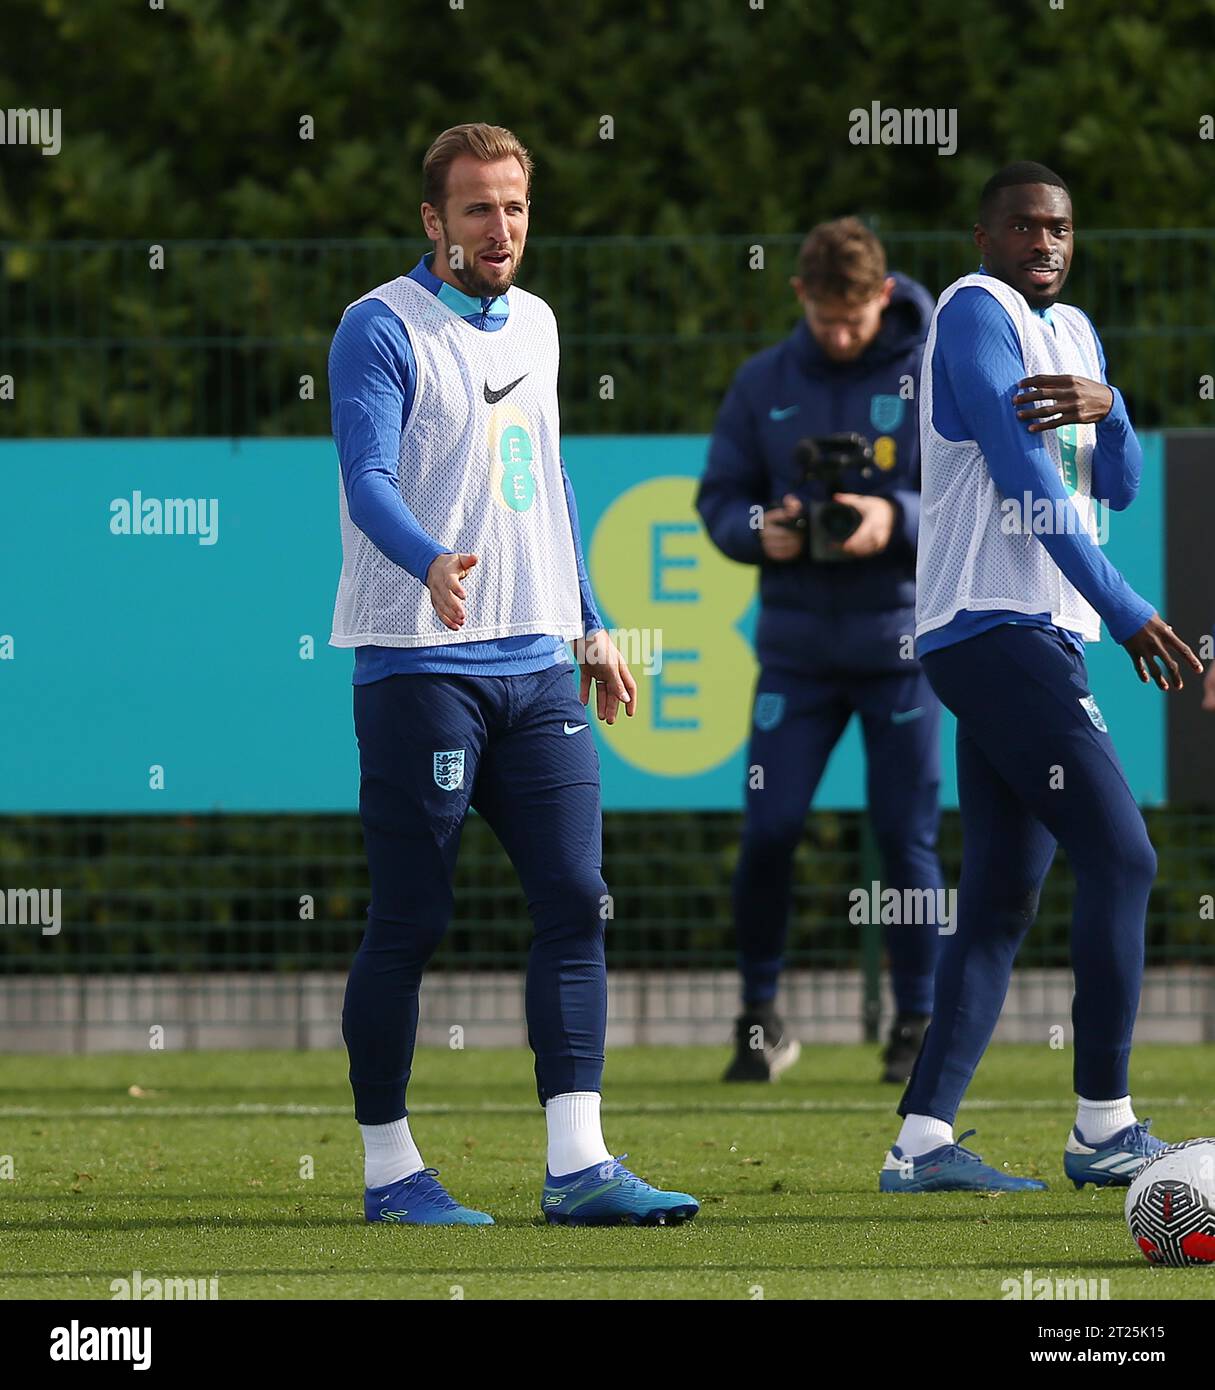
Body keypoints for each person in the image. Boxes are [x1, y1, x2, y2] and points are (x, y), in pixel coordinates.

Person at [328, 122, 698, 1226]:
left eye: (517, 208)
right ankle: (390, 1170)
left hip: (539, 665)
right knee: (412, 917)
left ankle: (578, 1165)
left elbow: (547, 475)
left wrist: (590, 621)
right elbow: (366, 476)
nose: (503, 229)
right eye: (479, 209)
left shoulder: (535, 321)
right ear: (432, 220)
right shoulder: (377, 327)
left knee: (578, 899)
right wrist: (429, 561)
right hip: (420, 662)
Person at [880, 162, 1203, 1193]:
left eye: (1059, 227)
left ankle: (922, 1142)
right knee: (1125, 855)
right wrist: (1127, 608)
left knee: (1004, 899)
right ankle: (1104, 1125)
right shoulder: (974, 313)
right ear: (983, 237)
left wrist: (1113, 410)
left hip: (1037, 635)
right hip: (991, 627)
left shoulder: (1077, 334)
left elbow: (1116, 480)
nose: (1045, 242)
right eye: (1023, 226)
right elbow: (1022, 477)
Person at [697, 218, 944, 1085]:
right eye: (825, 319)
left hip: (903, 647)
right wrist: (757, 528)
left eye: (855, 320)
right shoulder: (761, 380)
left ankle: (917, 1025)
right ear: (799, 295)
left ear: (882, 295)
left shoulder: (930, 372)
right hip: (795, 654)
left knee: (906, 838)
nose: (840, 337)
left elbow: (973, 494)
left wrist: (895, 517)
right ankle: (760, 1017)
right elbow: (719, 498)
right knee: (768, 830)